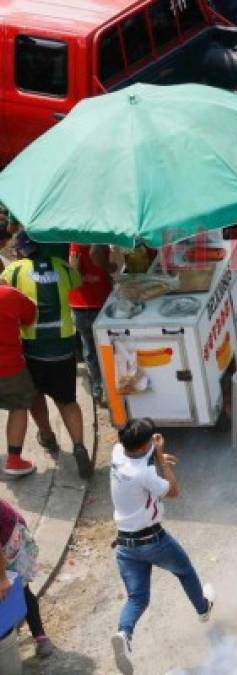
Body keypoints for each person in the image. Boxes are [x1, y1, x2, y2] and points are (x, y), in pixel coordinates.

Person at [110, 418, 214, 675]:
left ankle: (124, 633)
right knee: (184, 570)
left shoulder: (117, 454)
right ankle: (203, 609)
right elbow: (174, 491)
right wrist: (158, 456)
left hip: (125, 544)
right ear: (145, 445)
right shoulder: (144, 474)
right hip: (153, 540)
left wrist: (153, 456)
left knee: (137, 598)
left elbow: (137, 459)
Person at [0, 231, 92, 479]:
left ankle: (47, 435)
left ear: (19, 251)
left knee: (35, 396)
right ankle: (80, 446)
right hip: (62, 347)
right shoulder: (62, 267)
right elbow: (78, 281)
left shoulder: (13, 272)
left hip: (32, 349)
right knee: (67, 400)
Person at [0, 498, 54, 657]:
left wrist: (3, 580)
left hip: (12, 542)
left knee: (21, 588)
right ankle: (9, 627)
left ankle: (40, 635)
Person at [68, 243, 117, 402]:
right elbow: (94, 253)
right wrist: (109, 267)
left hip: (81, 304)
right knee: (107, 348)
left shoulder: (76, 240)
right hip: (95, 302)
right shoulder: (95, 237)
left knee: (90, 349)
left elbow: (72, 271)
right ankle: (108, 387)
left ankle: (99, 388)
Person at [0, 282, 38, 477]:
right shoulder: (9, 294)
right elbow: (30, 316)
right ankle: (14, 460)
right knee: (18, 406)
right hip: (8, 367)